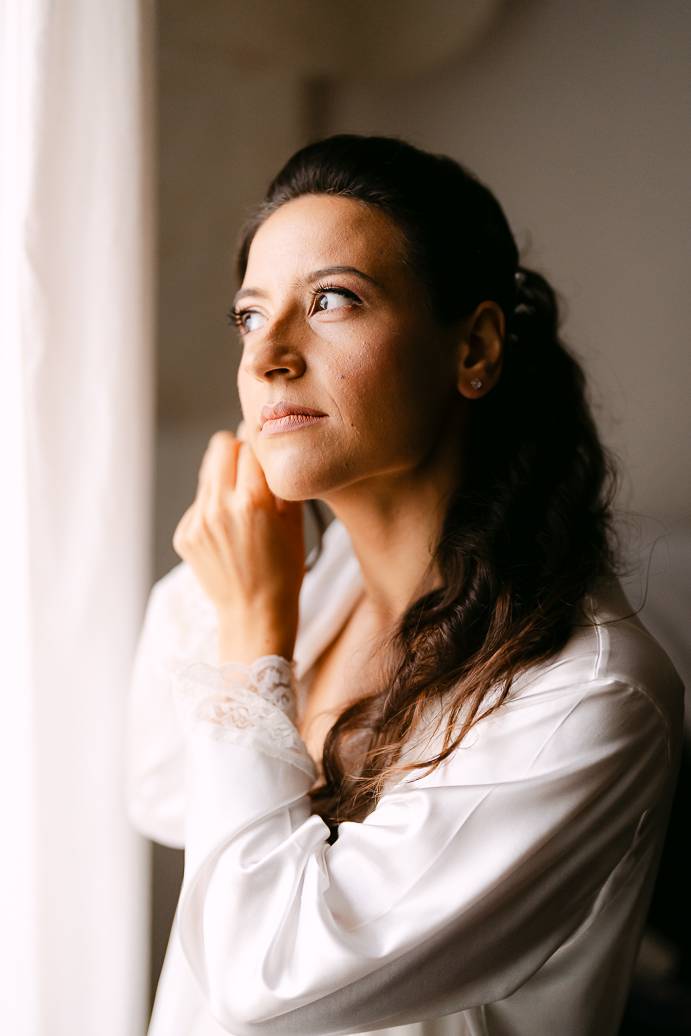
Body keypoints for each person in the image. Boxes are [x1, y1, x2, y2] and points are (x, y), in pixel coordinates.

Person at [126, 134, 684, 1036]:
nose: (267, 357)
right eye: (249, 316)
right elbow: (156, 784)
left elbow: (268, 979)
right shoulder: (311, 584)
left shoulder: (586, 695)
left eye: (332, 300)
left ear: (474, 347)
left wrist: (254, 635)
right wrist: (237, 575)